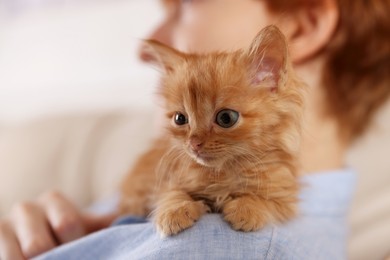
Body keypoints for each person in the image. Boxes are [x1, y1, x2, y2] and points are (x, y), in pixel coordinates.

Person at [0, 0, 389, 259]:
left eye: (183, 6)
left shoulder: (221, 244)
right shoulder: (176, 180)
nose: (145, 49)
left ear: (302, 27)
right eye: (182, 120)